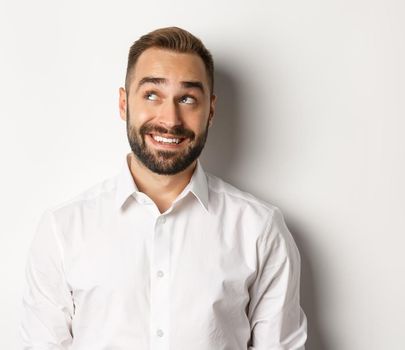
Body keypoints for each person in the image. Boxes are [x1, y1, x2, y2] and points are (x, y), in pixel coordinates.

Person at [20, 27, 307, 349]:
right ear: (123, 103)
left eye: (187, 99)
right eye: (152, 95)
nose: (170, 119)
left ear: (210, 111)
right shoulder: (63, 229)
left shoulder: (259, 228)